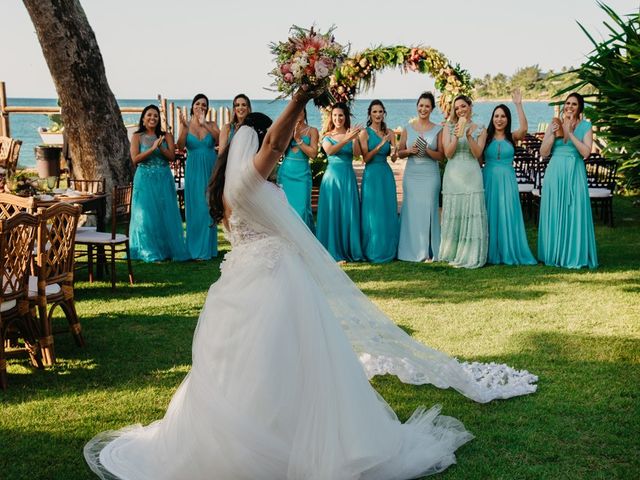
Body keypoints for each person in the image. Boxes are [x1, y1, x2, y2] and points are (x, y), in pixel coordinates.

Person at [85, 90, 537, 480]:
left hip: (242, 281)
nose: (275, 154)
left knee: (256, 364)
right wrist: (300, 95)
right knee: (280, 358)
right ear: (257, 147)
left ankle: (271, 434)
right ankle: (281, 445)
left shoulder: (226, 188)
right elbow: (278, 140)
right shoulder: (247, 183)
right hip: (270, 282)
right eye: (268, 148)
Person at [538, 92, 598, 268]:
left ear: (579, 108)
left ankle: (573, 253)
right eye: (567, 103)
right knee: (555, 208)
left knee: (574, 210)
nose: (569, 107)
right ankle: (553, 252)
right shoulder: (555, 124)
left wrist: (570, 133)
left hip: (574, 171)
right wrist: (553, 135)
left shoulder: (586, 126)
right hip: (555, 171)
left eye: (574, 104)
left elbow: (586, 152)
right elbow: (543, 152)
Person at [482, 90, 537, 265]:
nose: (499, 119)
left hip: (507, 180)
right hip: (488, 178)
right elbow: (477, 157)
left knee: (506, 213)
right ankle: (489, 250)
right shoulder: (486, 137)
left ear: (507, 119)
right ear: (492, 118)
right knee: (489, 213)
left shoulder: (512, 137)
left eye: (503, 116)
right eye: (496, 116)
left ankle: (508, 249)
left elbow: (524, 129)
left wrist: (518, 105)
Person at [128, 105, 189, 262]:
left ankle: (166, 248)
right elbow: (135, 159)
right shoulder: (136, 136)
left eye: (155, 115)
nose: (152, 118)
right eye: (149, 115)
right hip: (144, 178)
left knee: (164, 213)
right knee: (145, 215)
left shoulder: (166, 136)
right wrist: (152, 148)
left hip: (163, 178)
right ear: (143, 118)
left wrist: (160, 146)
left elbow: (171, 157)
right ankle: (147, 250)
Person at [439, 95, 488, 269]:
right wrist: (454, 135)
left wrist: (468, 136)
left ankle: (471, 253)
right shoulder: (448, 127)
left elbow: (477, 154)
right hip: (453, 173)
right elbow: (448, 154)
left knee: (471, 210)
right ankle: (452, 251)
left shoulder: (480, 128)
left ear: (470, 107)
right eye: (457, 108)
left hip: (472, 173)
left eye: (463, 106)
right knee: (455, 211)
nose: (460, 110)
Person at [397, 92, 444, 262]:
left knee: (429, 210)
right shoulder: (407, 128)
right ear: (417, 106)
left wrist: (426, 150)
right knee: (412, 210)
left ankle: (429, 251)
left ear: (432, 109)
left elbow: (441, 155)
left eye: (427, 106)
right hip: (411, 175)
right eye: (421, 105)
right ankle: (411, 250)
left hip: (430, 174)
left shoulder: (438, 129)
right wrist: (409, 151)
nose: (423, 109)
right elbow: (399, 153)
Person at [316, 102, 364, 263]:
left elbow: (357, 154)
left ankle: (349, 249)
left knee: (347, 212)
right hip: (332, 178)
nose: (338, 118)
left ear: (346, 117)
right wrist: (346, 139)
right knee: (333, 212)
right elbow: (329, 150)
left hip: (347, 177)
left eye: (341, 115)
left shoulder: (351, 133)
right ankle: (332, 251)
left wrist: (355, 139)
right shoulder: (327, 135)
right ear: (331, 117)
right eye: (335, 115)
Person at [177, 94, 220, 260]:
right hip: (194, 170)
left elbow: (219, 140)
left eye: (204, 104)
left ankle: (208, 249)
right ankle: (195, 248)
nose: (200, 106)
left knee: (209, 207)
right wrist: (183, 128)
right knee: (196, 208)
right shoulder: (185, 125)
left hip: (210, 169)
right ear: (192, 107)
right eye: (197, 104)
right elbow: (180, 146)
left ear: (207, 108)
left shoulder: (212, 124)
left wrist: (205, 125)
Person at [358, 100, 399, 263]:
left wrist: (394, 149)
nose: (378, 115)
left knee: (387, 210)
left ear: (384, 113)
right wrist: (381, 144)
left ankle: (389, 248)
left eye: (380, 112)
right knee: (373, 212)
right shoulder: (364, 133)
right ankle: (373, 250)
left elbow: (394, 158)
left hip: (385, 174)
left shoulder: (389, 132)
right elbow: (366, 158)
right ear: (370, 114)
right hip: (372, 174)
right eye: (374, 112)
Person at [276, 108, 318, 231]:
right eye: (296, 110)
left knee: (303, 210)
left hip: (302, 175)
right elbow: (279, 151)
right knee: (286, 210)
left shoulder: (312, 131)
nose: (298, 113)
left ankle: (304, 244)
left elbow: (313, 154)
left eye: (301, 110)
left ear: (305, 112)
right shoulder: (287, 130)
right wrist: (288, 133)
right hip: (286, 174)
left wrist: (298, 139)